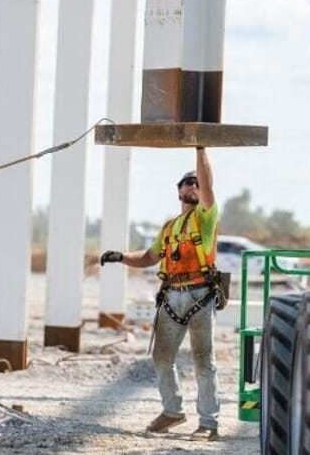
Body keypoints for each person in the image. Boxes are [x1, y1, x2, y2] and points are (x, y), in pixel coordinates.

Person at [99, 147, 221, 441]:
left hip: (199, 294)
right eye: (187, 182)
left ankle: (208, 423)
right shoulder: (169, 227)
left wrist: (200, 148)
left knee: (204, 360)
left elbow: (206, 181)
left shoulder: (205, 218)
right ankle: (173, 411)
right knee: (162, 357)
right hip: (172, 297)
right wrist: (121, 257)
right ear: (178, 191)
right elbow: (150, 256)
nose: (193, 185)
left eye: (196, 182)